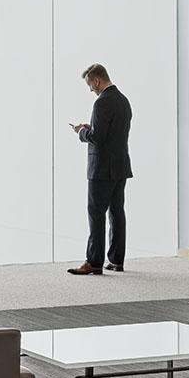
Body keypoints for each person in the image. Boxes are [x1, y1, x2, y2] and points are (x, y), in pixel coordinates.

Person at [68, 64, 132, 276]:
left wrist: (82, 132)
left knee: (96, 213)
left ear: (96, 80)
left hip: (102, 169)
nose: (90, 90)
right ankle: (116, 260)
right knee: (116, 213)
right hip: (121, 166)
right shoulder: (123, 101)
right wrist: (91, 129)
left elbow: (98, 138)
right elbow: (112, 134)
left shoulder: (102, 103)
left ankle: (94, 262)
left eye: (90, 85)